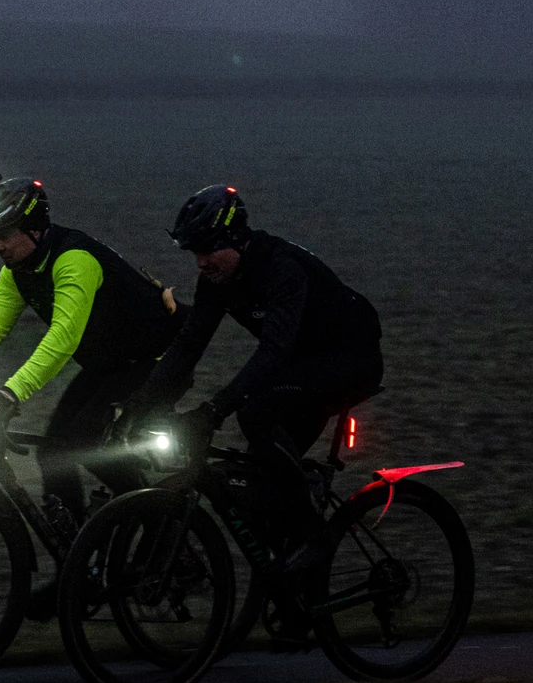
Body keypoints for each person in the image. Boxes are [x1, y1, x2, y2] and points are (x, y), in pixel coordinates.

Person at [0, 174, 185, 612]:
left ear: (34, 229)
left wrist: (11, 394)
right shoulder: (19, 271)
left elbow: (62, 340)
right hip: (110, 366)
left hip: (157, 363)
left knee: (85, 445)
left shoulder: (74, 261)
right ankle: (79, 571)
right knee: (54, 451)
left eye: (5, 235)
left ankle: (163, 531)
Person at [123, 184, 383, 576]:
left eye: (207, 250)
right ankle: (298, 596)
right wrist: (142, 403)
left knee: (255, 414)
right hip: (303, 364)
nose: (200, 263)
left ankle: (316, 537)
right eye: (194, 253)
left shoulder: (282, 269)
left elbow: (273, 354)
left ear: (236, 240)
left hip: (350, 361)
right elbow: (187, 346)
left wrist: (213, 410)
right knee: (265, 487)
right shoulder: (218, 279)